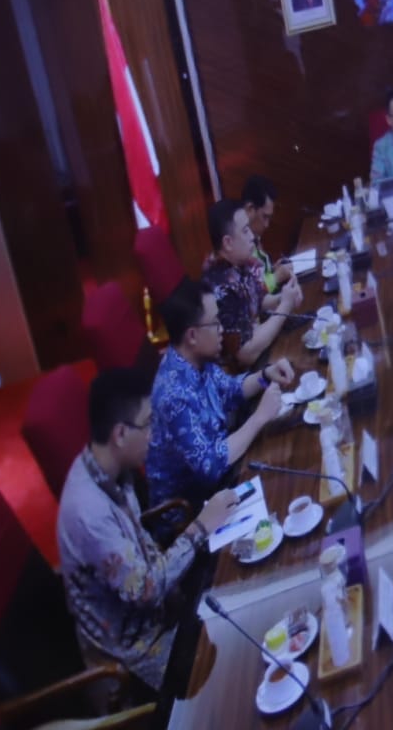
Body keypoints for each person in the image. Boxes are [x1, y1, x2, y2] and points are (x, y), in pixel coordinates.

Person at [58, 368, 238, 691]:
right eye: (148, 424)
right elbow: (147, 590)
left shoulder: (110, 468)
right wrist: (200, 526)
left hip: (165, 607)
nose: (154, 435)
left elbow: (143, 548)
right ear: (120, 434)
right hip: (135, 653)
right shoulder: (88, 513)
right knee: (234, 670)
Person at [146, 278, 292, 522]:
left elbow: (230, 390)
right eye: (215, 323)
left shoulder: (195, 359)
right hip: (192, 515)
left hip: (224, 476)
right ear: (192, 335)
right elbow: (210, 465)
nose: (222, 328)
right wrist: (259, 418)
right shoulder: (173, 395)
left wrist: (265, 375)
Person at [202, 198, 297, 368]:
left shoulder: (239, 262)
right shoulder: (221, 288)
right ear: (228, 243)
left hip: (260, 350)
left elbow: (258, 302)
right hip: (241, 375)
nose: (252, 237)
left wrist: (285, 297)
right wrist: (284, 307)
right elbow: (246, 353)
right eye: (245, 231)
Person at [242, 174, 295, 295]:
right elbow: (250, 296)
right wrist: (276, 277)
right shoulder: (238, 243)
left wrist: (273, 270)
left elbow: (259, 275)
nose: (267, 225)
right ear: (250, 209)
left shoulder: (254, 234)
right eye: (264, 217)